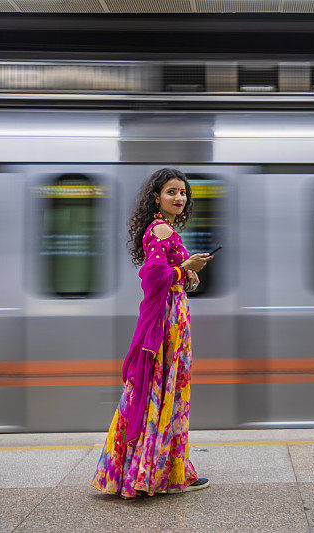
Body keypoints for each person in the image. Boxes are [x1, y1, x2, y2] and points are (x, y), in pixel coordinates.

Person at [91, 168, 213, 498]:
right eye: (171, 192)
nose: (179, 198)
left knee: (160, 393)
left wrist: (187, 274)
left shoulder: (164, 228)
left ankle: (159, 469)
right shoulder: (160, 228)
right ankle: (159, 472)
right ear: (156, 197)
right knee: (165, 391)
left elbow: (166, 273)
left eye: (183, 193)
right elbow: (153, 276)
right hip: (167, 322)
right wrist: (184, 269)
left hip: (173, 316)